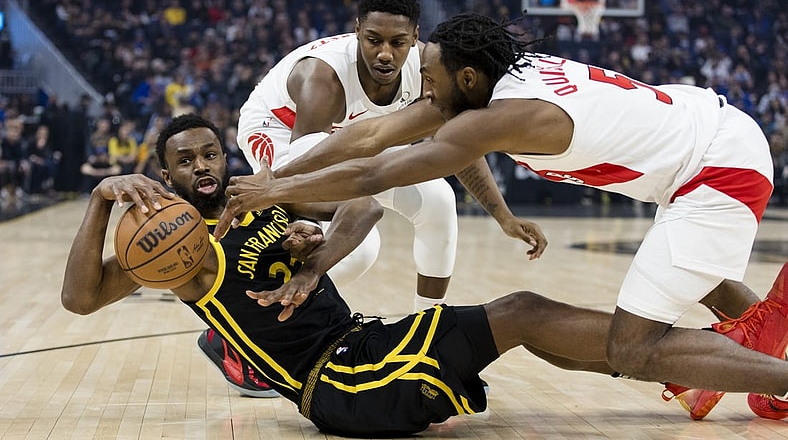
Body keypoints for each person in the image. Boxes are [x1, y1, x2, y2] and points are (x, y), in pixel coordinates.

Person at [215, 13, 788, 420]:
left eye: (430, 80)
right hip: (705, 131)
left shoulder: (496, 117)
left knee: (632, 347)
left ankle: (756, 368)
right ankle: (756, 337)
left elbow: (373, 174)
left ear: (466, 79)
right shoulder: (497, 78)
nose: (424, 93)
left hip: (716, 171)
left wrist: (273, 192)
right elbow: (369, 133)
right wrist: (276, 177)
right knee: (688, 274)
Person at [61, 113, 595, 436]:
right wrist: (100, 199)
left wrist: (314, 261)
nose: (202, 166)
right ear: (166, 175)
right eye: (185, 161)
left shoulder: (259, 197)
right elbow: (79, 299)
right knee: (522, 313)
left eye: (210, 154)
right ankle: (656, 361)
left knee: (521, 319)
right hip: (336, 382)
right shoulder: (177, 248)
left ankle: (639, 364)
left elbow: (362, 205)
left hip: (359, 343)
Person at [235, 0, 542, 313]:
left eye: (397, 42)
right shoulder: (322, 77)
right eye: (373, 40)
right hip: (282, 133)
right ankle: (258, 317)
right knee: (360, 250)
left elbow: (456, 143)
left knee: (438, 200)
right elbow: (306, 175)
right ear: (357, 30)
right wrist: (306, 223)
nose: (385, 54)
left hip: (357, 135)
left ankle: (428, 323)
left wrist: (503, 216)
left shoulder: (427, 67)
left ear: (414, 36)